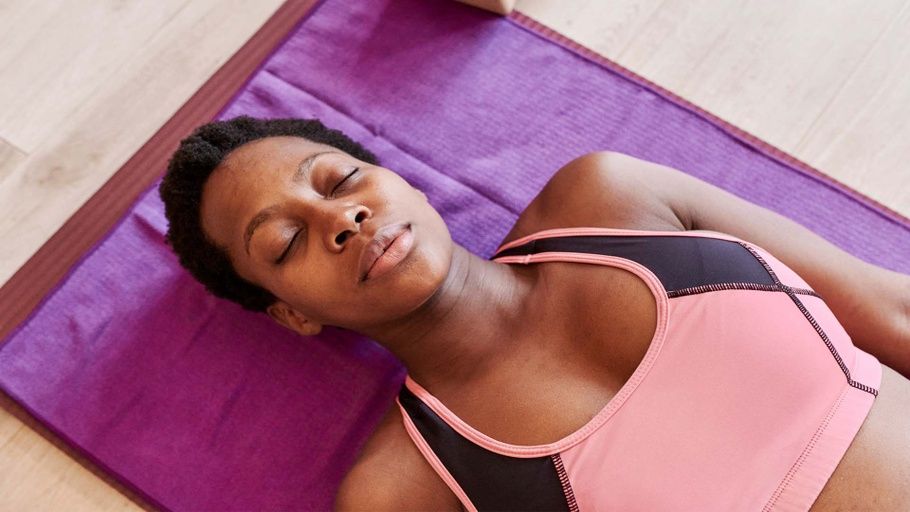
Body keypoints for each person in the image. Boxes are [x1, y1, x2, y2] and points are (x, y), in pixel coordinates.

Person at [159, 115, 910, 511]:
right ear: (293, 315)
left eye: (342, 179)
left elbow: (890, 309)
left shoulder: (611, 200)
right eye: (288, 242)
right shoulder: (405, 491)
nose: (342, 220)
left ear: (404, 184)